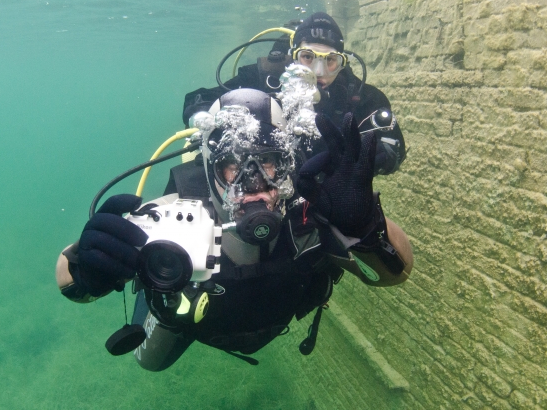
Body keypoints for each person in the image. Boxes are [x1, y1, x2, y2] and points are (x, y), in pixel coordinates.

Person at [55, 88, 413, 371]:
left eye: (268, 162)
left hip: (272, 318)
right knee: (149, 363)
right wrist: (85, 269)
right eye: (232, 166)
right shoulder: (175, 216)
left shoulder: (314, 213)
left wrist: (363, 225)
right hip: (194, 325)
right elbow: (70, 282)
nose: (253, 183)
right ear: (209, 169)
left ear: (287, 164)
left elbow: (397, 273)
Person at [182, 12, 406, 176]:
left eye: (330, 60)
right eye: (308, 57)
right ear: (293, 56)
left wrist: (371, 155)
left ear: (342, 63)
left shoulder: (356, 95)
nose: (318, 72)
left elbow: (394, 150)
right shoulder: (265, 78)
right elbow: (197, 99)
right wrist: (204, 117)